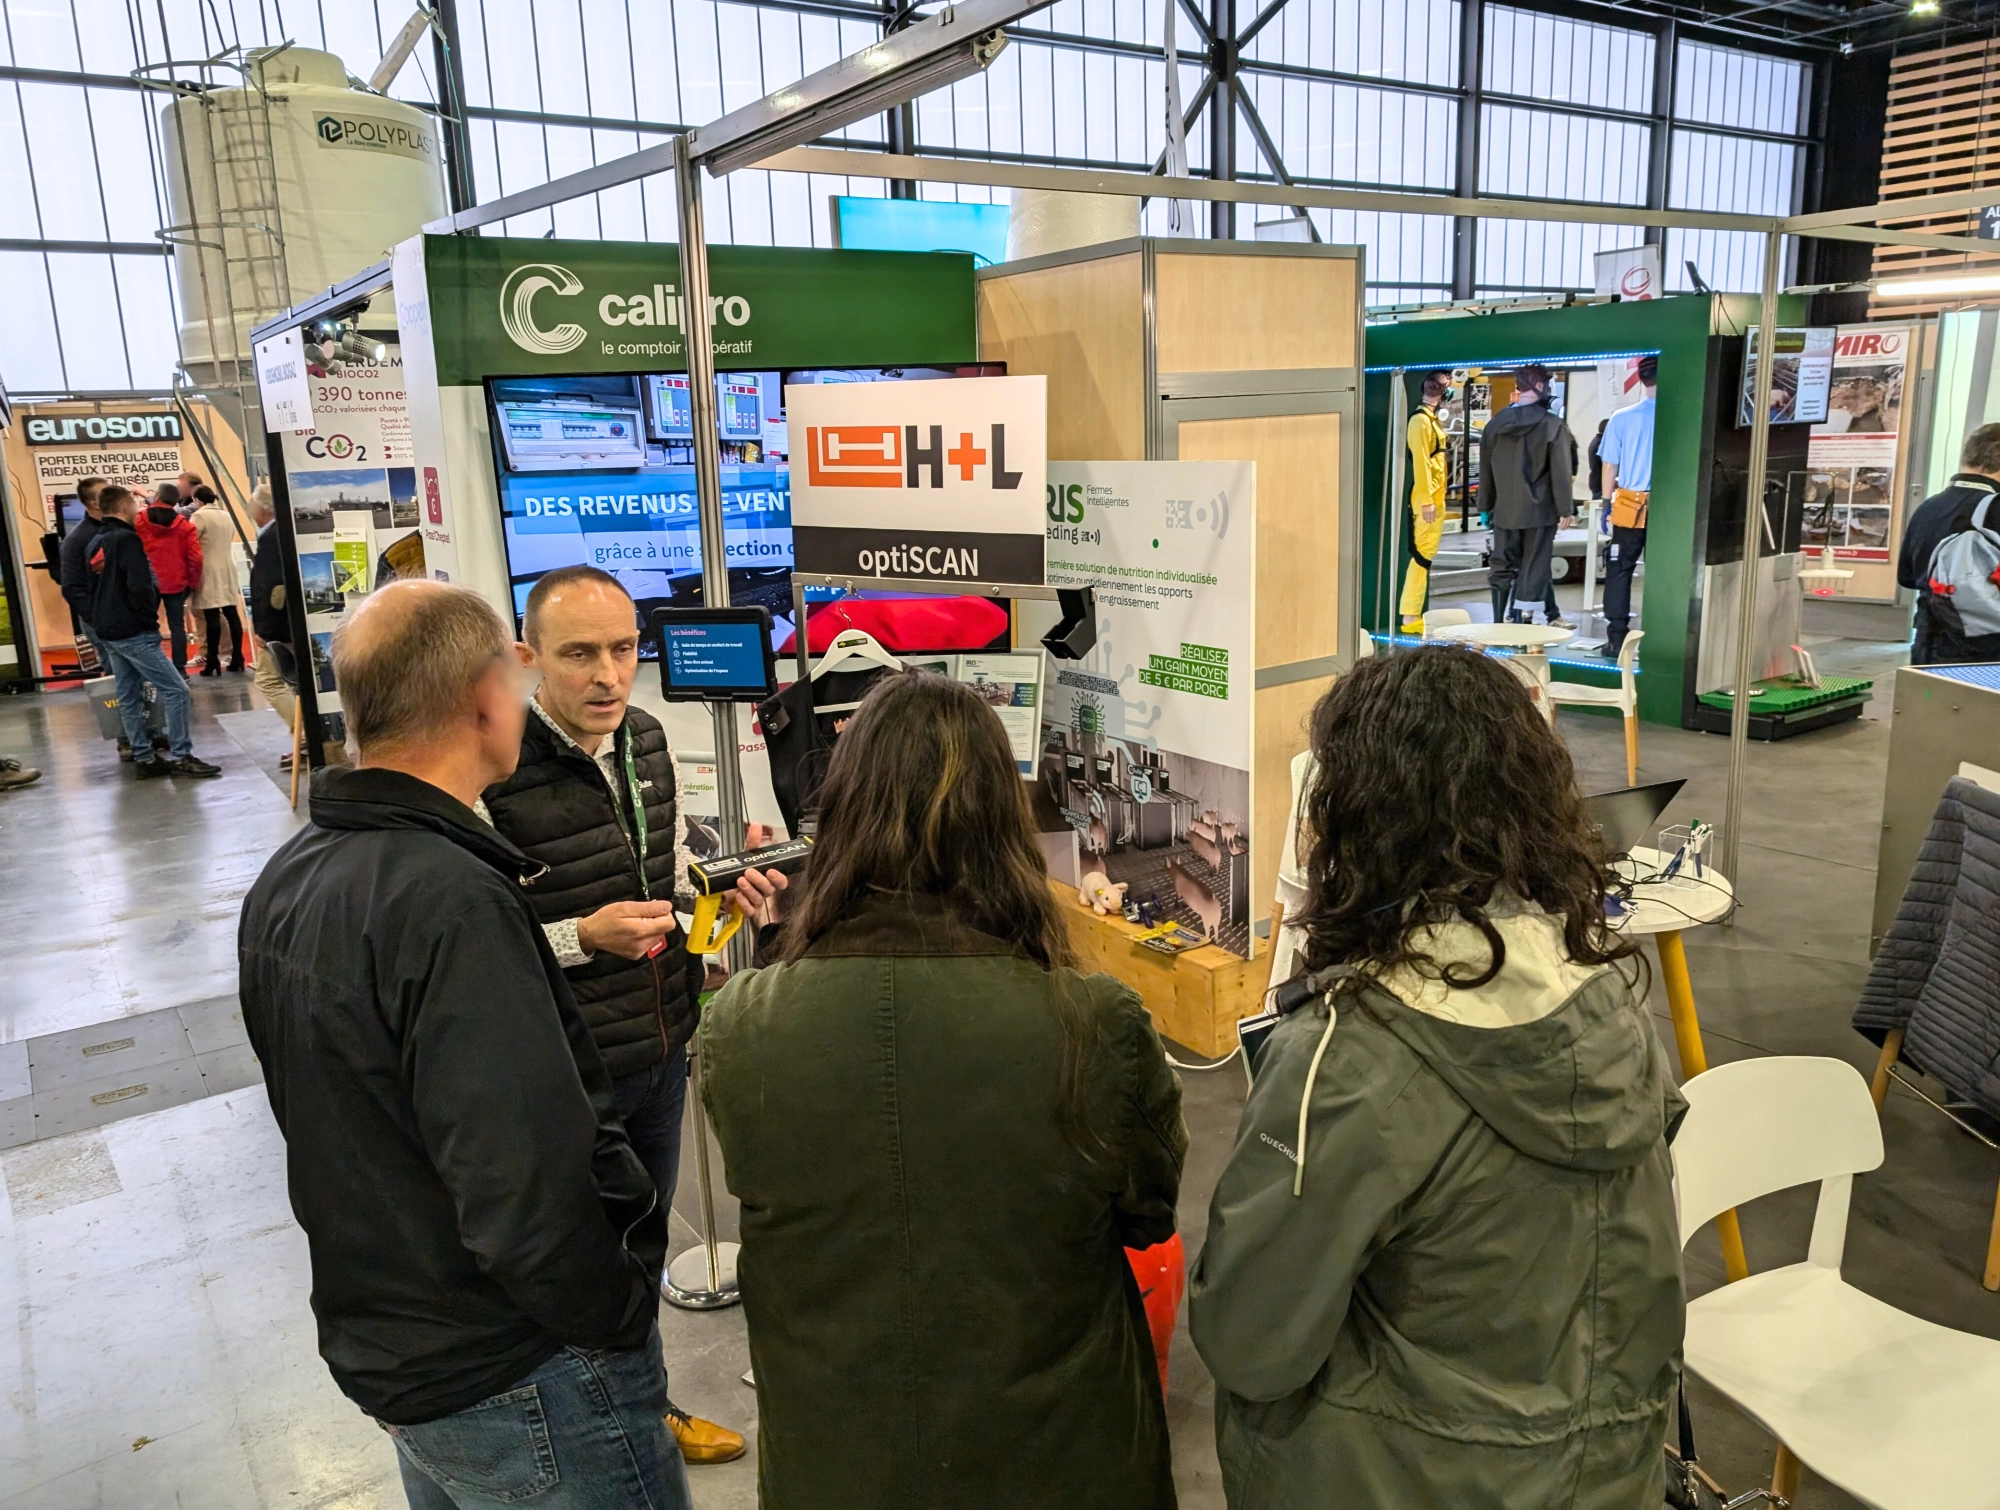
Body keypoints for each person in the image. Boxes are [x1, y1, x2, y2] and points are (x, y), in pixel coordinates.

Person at [1190, 646, 1685, 1510]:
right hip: (1609, 1476)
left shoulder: (1350, 1055)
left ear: (1357, 820)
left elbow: (1251, 1342)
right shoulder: (1610, 1006)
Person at [238, 581, 691, 1510]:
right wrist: (617, 1317)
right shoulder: (451, 900)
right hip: (521, 1372)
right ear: (490, 695)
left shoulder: (291, 876)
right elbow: (523, 1182)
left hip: (401, 1346)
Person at [700, 672, 1187, 1510]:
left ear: (844, 810)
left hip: (837, 1453)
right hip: (1056, 1451)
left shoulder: (744, 1025)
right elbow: (1150, 1212)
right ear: (1004, 819)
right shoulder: (1093, 1021)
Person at [477, 565, 752, 1467]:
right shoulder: (496, 771)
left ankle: (643, 1414)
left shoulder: (646, 737)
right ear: (528, 659)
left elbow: (661, 882)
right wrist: (579, 938)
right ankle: (603, 1438)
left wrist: (720, 895)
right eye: (580, 653)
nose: (607, 674)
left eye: (624, 648)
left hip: (664, 1046)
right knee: (574, 1270)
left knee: (636, 1252)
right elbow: (479, 944)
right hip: (565, 1069)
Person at [88, 487, 221, 780]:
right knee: (176, 690)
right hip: (135, 628)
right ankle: (182, 755)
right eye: (133, 503)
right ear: (124, 507)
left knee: (128, 693)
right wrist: (148, 618)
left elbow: (90, 582)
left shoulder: (99, 539)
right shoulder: (129, 540)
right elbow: (140, 585)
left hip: (109, 628)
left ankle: (144, 756)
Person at [1480, 363, 1576, 624]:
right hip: (1540, 512)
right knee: (1533, 569)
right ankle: (1523, 626)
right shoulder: (1552, 425)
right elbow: (1560, 469)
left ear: (1518, 387)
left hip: (1503, 510)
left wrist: (1485, 506)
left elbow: (1485, 470)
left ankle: (1499, 622)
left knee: (1501, 565)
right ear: (1542, 386)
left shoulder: (1495, 424)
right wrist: (1565, 508)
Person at [1899, 420, 2000, 665]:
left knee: (1930, 703)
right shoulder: (1995, 509)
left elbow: (1907, 577)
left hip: (1927, 645)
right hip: (1986, 652)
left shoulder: (1928, 507)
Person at [1600, 356, 1659, 658]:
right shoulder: (1679, 416)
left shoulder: (1621, 418)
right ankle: (1662, 637)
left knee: (1619, 570)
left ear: (1640, 378)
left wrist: (1604, 505)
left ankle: (1616, 639)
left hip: (1629, 505)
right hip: (1670, 507)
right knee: (1665, 573)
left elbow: (1610, 467)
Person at [1400, 371, 1451, 633]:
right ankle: (1410, 615)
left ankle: (1412, 613)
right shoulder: (1420, 422)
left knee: (1426, 554)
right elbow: (1420, 462)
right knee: (1422, 555)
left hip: (1434, 496)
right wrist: (1428, 500)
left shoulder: (1429, 420)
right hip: (1426, 498)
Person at [246, 484, 297, 747]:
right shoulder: (283, 533)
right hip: (288, 624)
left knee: (268, 681)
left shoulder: (270, 538)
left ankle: (305, 738)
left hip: (278, 627)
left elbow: (273, 590)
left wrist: (265, 631)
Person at [136, 482, 202, 676]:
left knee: (146, 627)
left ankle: (150, 669)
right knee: (177, 627)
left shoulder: (139, 519)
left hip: (146, 581)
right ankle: (180, 669)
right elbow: (196, 557)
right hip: (177, 581)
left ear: (157, 496)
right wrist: (193, 582)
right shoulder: (184, 525)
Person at [190, 486, 247, 677]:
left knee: (211, 614)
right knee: (231, 612)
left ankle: (212, 659)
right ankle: (238, 656)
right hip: (228, 566)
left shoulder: (199, 516)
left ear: (197, 500)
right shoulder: (226, 515)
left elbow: (192, 541)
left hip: (208, 567)